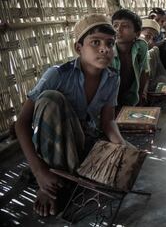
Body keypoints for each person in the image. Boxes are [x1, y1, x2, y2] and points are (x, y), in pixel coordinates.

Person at [15, 14, 125, 217]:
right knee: (50, 99)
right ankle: (48, 186)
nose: (105, 49)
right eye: (95, 42)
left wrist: (122, 146)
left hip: (85, 142)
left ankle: (65, 179)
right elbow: (21, 124)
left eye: (110, 43)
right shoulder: (57, 74)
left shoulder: (112, 77)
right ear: (78, 48)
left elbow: (108, 120)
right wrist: (40, 172)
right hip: (54, 144)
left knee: (120, 171)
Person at [111, 9, 148, 107]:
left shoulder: (141, 47)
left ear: (137, 33)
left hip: (131, 99)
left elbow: (143, 72)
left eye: (125, 26)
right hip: (111, 100)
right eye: (115, 25)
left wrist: (140, 95)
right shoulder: (108, 51)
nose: (118, 29)